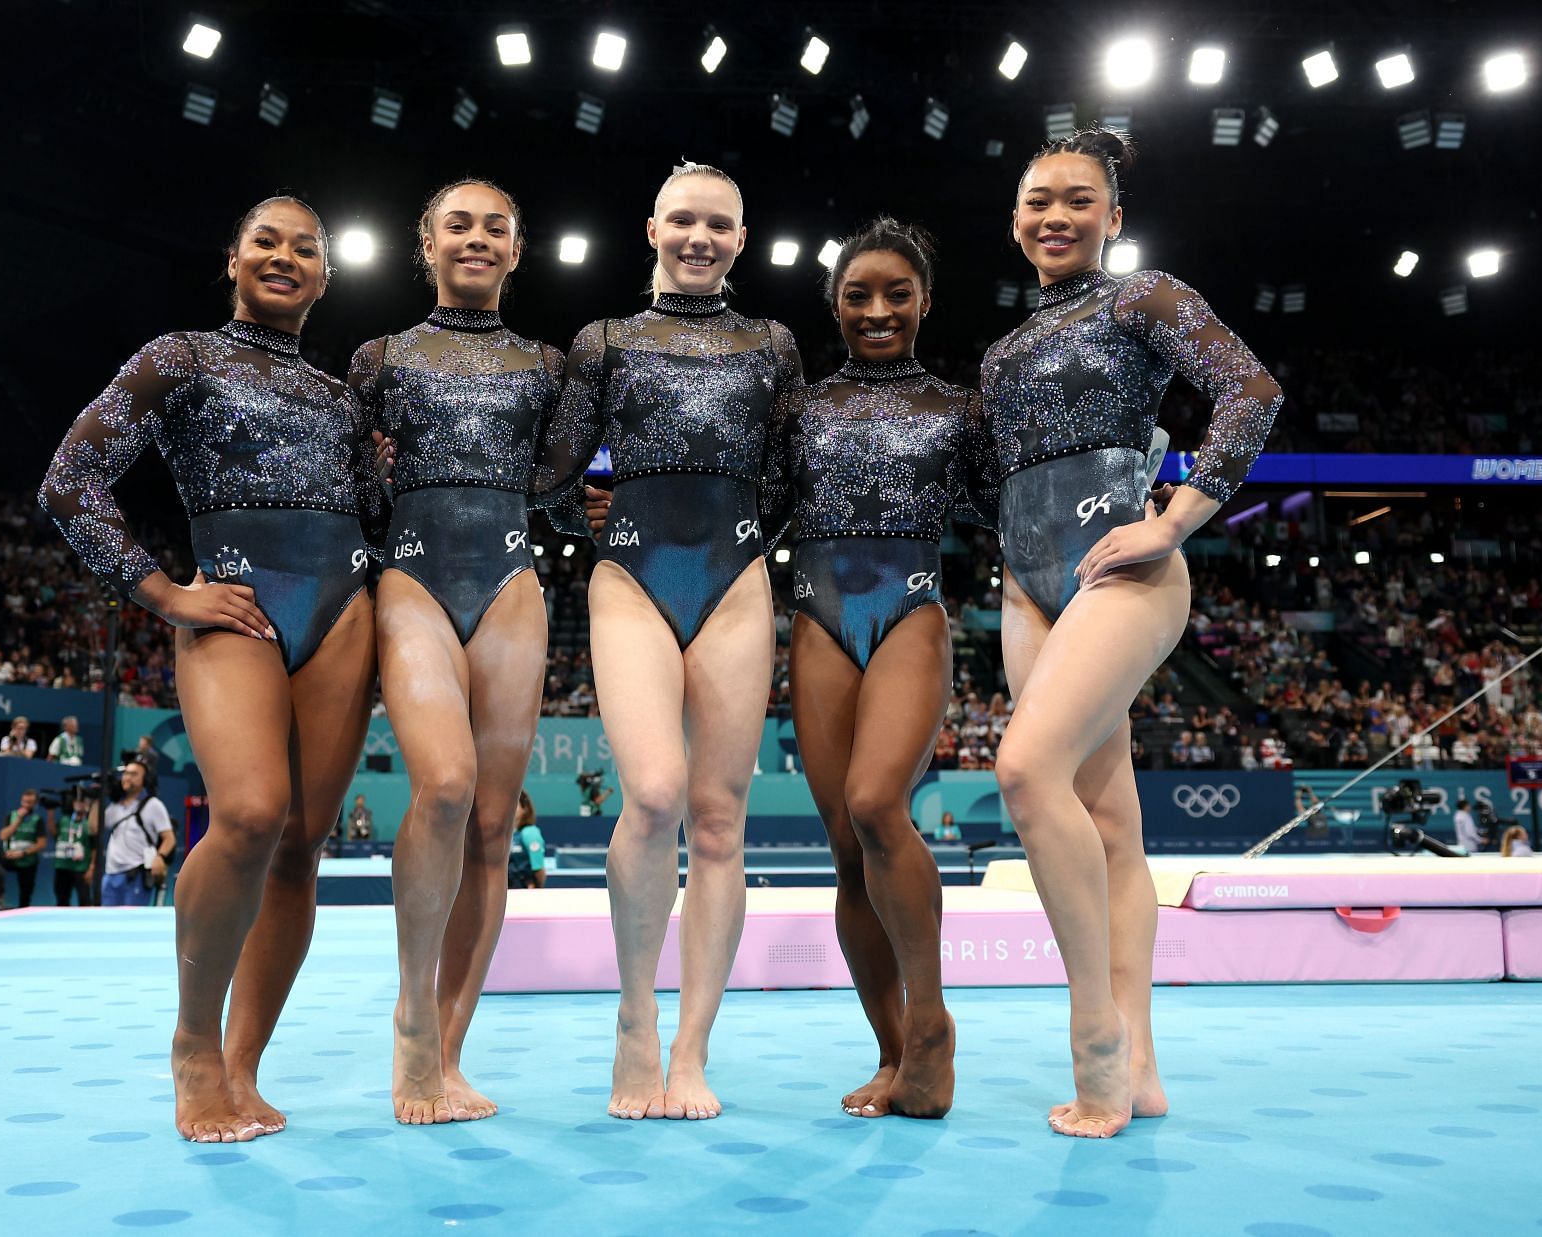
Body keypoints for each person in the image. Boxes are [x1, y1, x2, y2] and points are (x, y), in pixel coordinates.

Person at [41, 195, 386, 1143]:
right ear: (232, 258)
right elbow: (69, 480)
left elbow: (380, 516)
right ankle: (194, 1045)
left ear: (325, 274)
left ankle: (243, 1065)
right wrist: (163, 592)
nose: (284, 257)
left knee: (300, 845)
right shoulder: (178, 357)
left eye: (304, 248)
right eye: (265, 242)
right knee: (245, 814)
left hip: (344, 613)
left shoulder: (339, 396)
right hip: (233, 602)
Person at [982, 128, 1283, 1139]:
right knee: (1110, 825)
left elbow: (1252, 391)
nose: (1055, 217)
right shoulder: (1002, 349)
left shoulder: (1142, 295)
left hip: (1125, 566)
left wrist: (1174, 516)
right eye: (1037, 200)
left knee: (1026, 771)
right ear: (1016, 217)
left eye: (1077, 200)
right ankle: (1144, 1065)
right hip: (1027, 584)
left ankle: (1097, 1042)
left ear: (1112, 215)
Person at [536, 161, 803, 1121]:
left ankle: (693, 1048)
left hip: (734, 581)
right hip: (631, 576)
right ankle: (635, 1019)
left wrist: (748, 544)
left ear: (741, 237)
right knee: (652, 793)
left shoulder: (773, 344)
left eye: (718, 225)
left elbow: (789, 473)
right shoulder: (604, 340)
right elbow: (551, 470)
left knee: (721, 820)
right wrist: (588, 519)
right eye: (683, 220)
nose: (700, 236)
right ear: (651, 229)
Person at [768, 216, 995, 1118]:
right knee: (842, 846)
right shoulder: (801, 410)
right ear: (835, 306)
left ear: (924, 302)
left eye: (896, 293)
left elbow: (1010, 505)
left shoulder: (956, 407)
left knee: (875, 805)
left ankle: (932, 1021)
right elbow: (761, 512)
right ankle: (895, 1050)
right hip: (819, 617)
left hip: (910, 610)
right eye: (858, 295)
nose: (876, 309)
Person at [348, 179, 563, 1126]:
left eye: (496, 229)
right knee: (441, 785)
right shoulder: (380, 358)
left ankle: (448, 1042)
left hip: (513, 584)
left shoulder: (550, 364)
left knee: (489, 824)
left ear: (517, 252)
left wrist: (593, 499)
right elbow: (347, 481)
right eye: (458, 225)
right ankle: (409, 1018)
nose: (477, 239)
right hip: (413, 576)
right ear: (424, 243)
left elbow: (569, 473)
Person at [102, 760, 175, 905]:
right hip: (110, 875)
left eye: (134, 774)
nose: (127, 777)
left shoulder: (153, 805)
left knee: (131, 923)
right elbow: (93, 828)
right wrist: (97, 797)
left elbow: (169, 838)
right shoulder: (114, 807)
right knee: (107, 923)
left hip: (136, 875)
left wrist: (159, 857)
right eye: (126, 773)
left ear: (145, 780)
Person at [0, 788, 52, 908]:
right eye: (24, 802)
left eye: (30, 802)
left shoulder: (37, 820)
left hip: (28, 860)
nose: (26, 805)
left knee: (26, 893)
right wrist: (18, 820)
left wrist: (23, 853)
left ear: (35, 804)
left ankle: (23, 912)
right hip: (10, 858)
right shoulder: (12, 816)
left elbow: (42, 844)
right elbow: (3, 835)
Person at [49, 788, 100, 906]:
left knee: (85, 900)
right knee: (61, 899)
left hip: (81, 868)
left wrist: (91, 868)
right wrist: (50, 812)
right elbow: (54, 833)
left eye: (83, 802)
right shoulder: (64, 820)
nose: (80, 805)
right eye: (77, 802)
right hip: (62, 866)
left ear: (87, 805)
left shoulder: (89, 823)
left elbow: (94, 847)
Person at [510, 791, 546, 890]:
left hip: (525, 890)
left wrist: (536, 891)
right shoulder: (508, 833)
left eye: (514, 805)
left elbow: (538, 868)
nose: (509, 809)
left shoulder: (530, 833)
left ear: (525, 809)